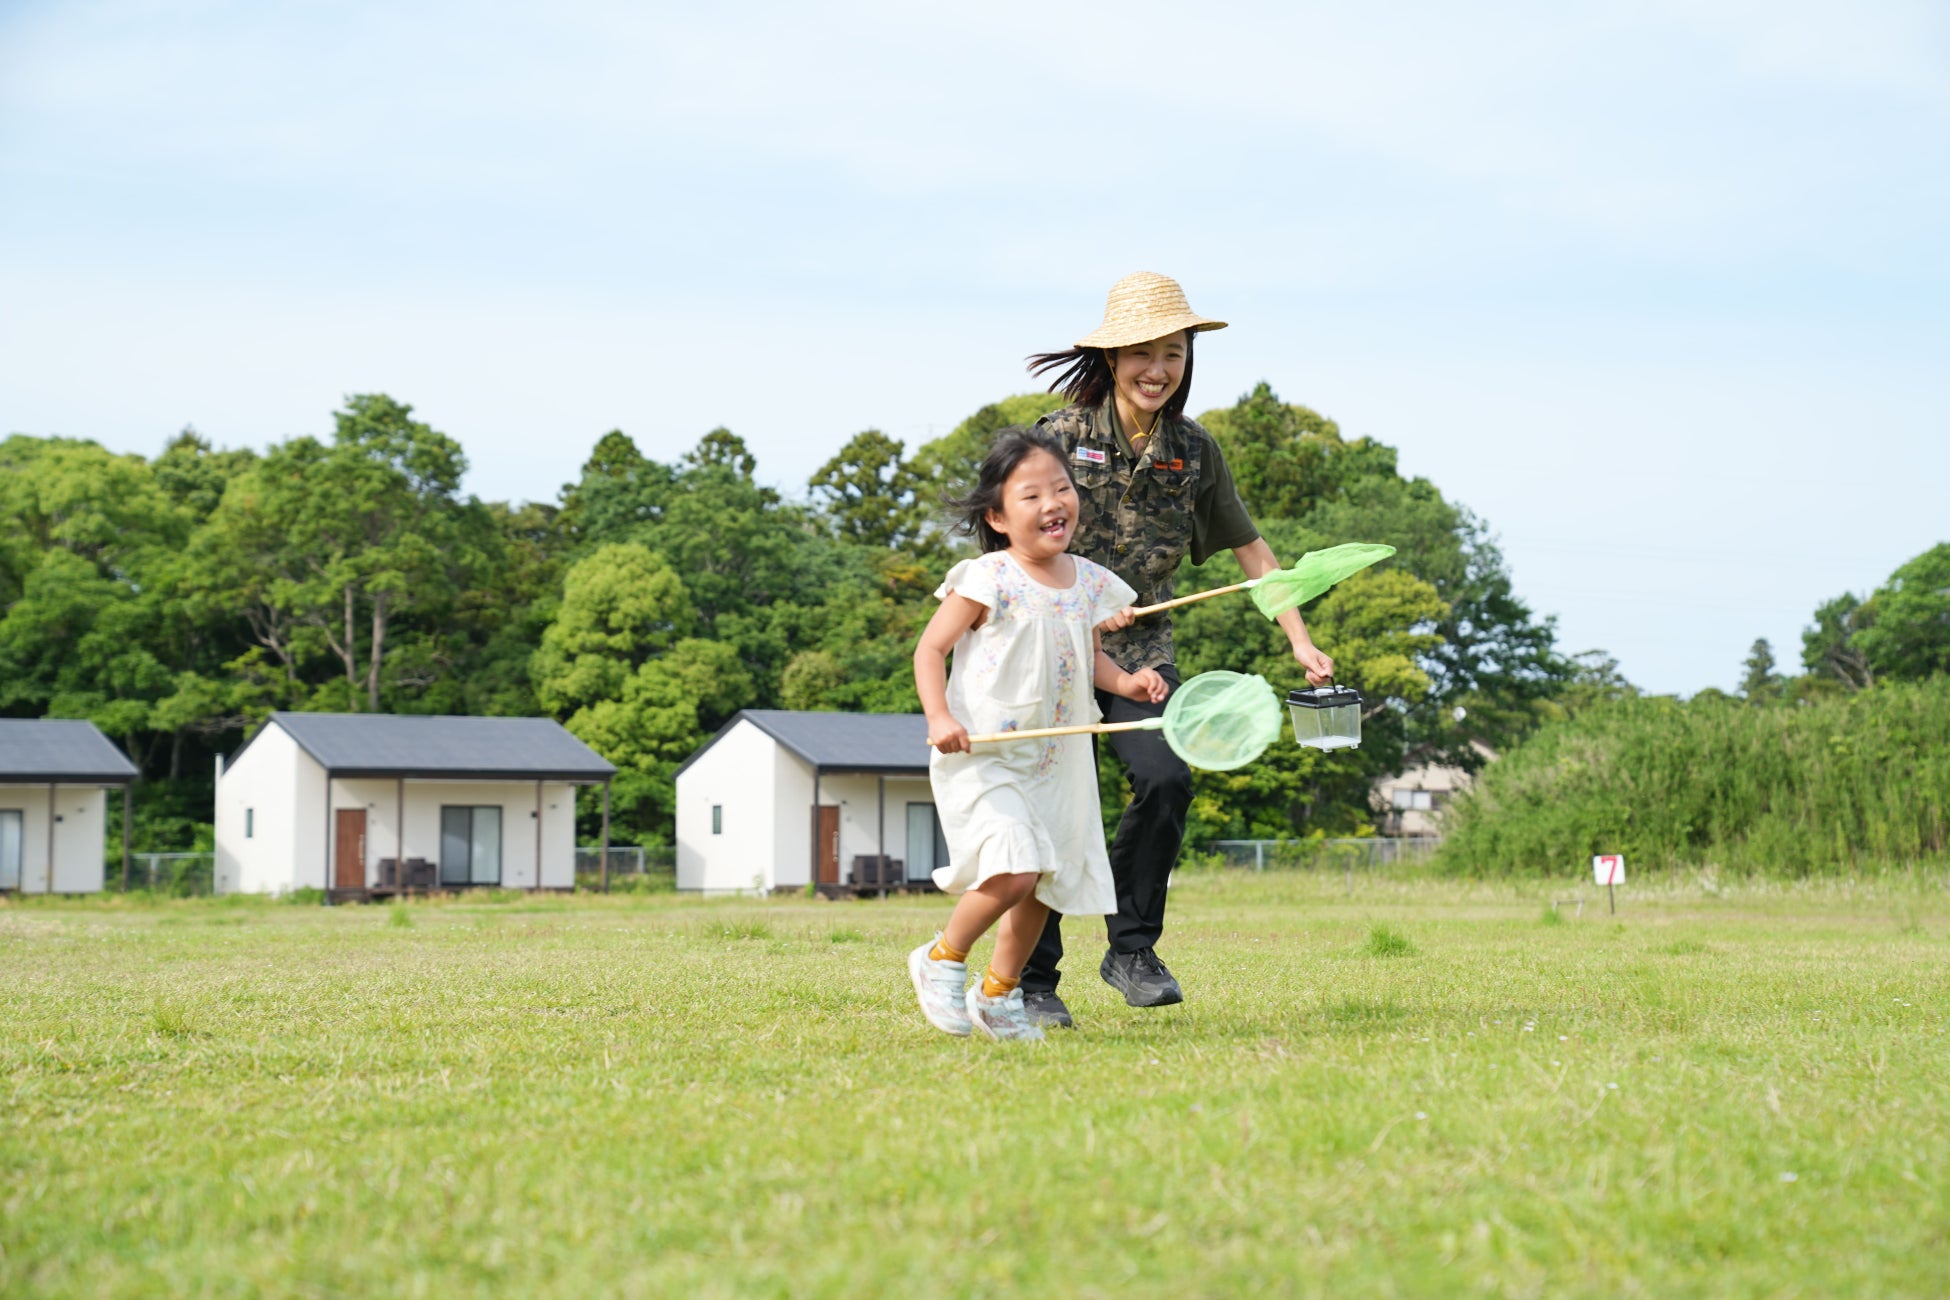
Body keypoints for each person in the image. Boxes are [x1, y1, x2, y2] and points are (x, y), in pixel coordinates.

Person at [1018, 271, 1335, 1027]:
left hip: (1145, 657)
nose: (1158, 369)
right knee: (1057, 810)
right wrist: (1065, 606)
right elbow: (1009, 544)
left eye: (1174, 353)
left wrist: (1301, 638)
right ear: (1111, 357)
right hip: (1055, 650)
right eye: (1142, 354)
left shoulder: (1193, 452)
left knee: (1165, 781)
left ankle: (1130, 948)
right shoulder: (1056, 439)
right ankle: (1034, 981)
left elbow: (1255, 555)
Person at [909, 428, 1166, 1041]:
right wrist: (938, 717)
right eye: (1032, 495)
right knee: (1016, 869)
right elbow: (930, 648)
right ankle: (941, 958)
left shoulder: (1087, 581)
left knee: (1044, 882)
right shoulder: (986, 576)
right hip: (988, 754)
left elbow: (1086, 655)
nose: (1054, 503)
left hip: (1060, 760)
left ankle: (999, 995)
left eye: (1062, 489)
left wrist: (1128, 684)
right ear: (997, 517)